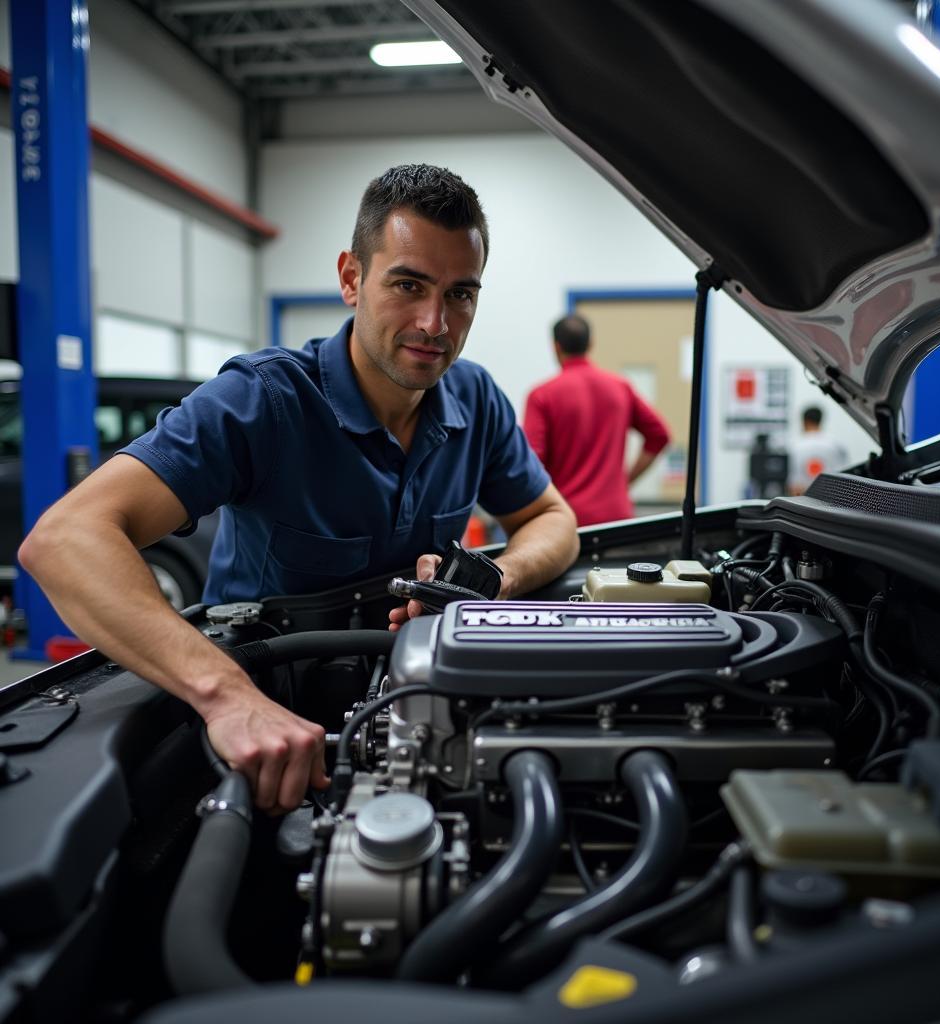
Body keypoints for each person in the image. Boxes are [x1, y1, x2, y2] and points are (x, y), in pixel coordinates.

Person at [19, 164, 579, 814]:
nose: (436, 323)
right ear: (351, 277)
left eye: (460, 294)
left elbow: (551, 517)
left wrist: (496, 579)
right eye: (408, 284)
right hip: (267, 734)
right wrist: (225, 695)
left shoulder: (474, 398)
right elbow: (65, 540)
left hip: (414, 716)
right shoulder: (262, 401)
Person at [522, 314, 670, 526]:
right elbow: (660, 435)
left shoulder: (542, 396)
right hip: (617, 518)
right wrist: (624, 482)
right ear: (591, 343)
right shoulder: (620, 387)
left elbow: (532, 464)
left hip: (566, 522)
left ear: (555, 347)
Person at [788, 405, 848, 494]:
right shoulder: (836, 445)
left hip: (801, 499)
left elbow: (792, 485)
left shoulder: (794, 446)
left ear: (805, 421)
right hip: (829, 498)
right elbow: (844, 478)